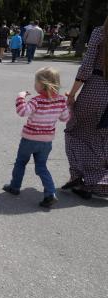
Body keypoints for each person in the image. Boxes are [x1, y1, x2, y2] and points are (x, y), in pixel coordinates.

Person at [2, 67, 70, 208]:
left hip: (29, 139)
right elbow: (65, 118)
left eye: (36, 82)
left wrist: (20, 97)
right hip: (46, 142)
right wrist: (69, 104)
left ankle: (15, 187)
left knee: (21, 162)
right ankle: (50, 193)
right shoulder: (61, 101)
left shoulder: (36, 101)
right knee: (41, 167)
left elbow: (22, 112)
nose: (34, 84)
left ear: (42, 84)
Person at [63, 18, 108, 199]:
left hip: (95, 90)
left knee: (74, 131)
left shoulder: (101, 32)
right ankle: (88, 179)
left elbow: (86, 66)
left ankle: (91, 179)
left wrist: (72, 94)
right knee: (102, 136)